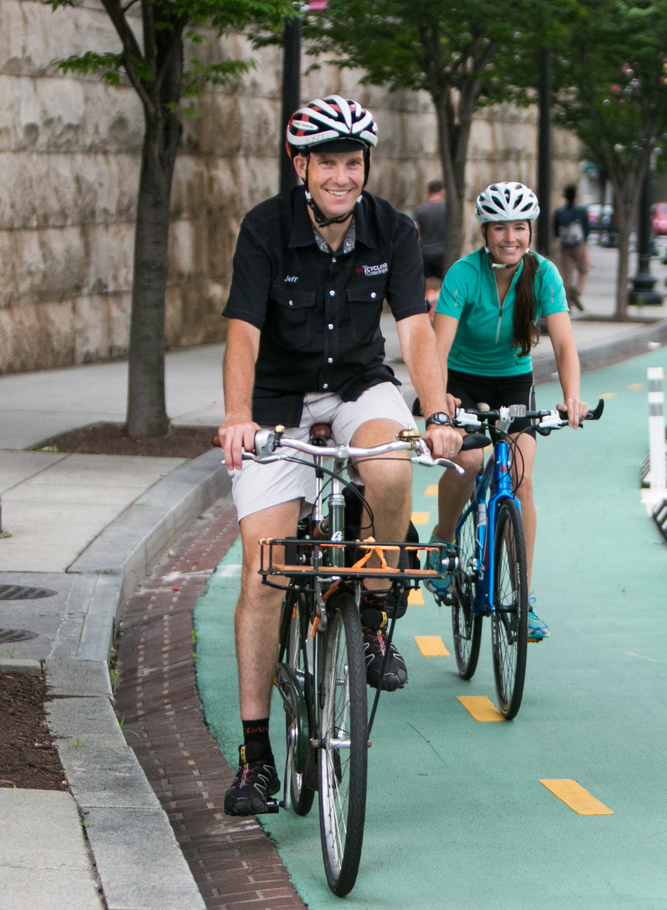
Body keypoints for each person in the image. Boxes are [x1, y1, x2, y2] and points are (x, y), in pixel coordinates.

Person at [216, 94, 463, 817]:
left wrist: (437, 413)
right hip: (278, 398)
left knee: (390, 466)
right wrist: (237, 416)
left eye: (352, 162)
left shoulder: (394, 229)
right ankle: (255, 756)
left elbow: (414, 329)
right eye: (326, 162)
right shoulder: (264, 228)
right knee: (265, 570)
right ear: (300, 166)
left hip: (359, 384)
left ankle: (374, 614)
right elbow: (242, 333)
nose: (341, 176)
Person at [426, 182, 588, 642]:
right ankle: (443, 542)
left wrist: (572, 397)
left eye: (519, 227)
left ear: (531, 231)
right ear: (485, 232)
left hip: (513, 382)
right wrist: (438, 400)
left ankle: (522, 598)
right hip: (461, 380)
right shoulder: (462, 274)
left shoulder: (544, 275)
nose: (510, 237)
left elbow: (564, 344)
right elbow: (438, 348)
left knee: (519, 477)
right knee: (468, 459)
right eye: (500, 228)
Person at [552, 185, 590, 311]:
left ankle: (568, 303)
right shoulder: (581, 211)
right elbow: (586, 228)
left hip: (565, 245)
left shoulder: (559, 212)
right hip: (578, 244)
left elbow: (556, 232)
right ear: (575, 195)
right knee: (583, 269)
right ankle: (577, 291)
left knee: (567, 274)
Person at [413, 179, 447, 308]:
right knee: (444, 283)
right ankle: (439, 308)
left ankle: (426, 307)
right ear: (442, 192)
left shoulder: (420, 210)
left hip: (425, 252)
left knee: (424, 284)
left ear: (428, 191)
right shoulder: (448, 209)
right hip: (443, 252)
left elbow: (413, 230)